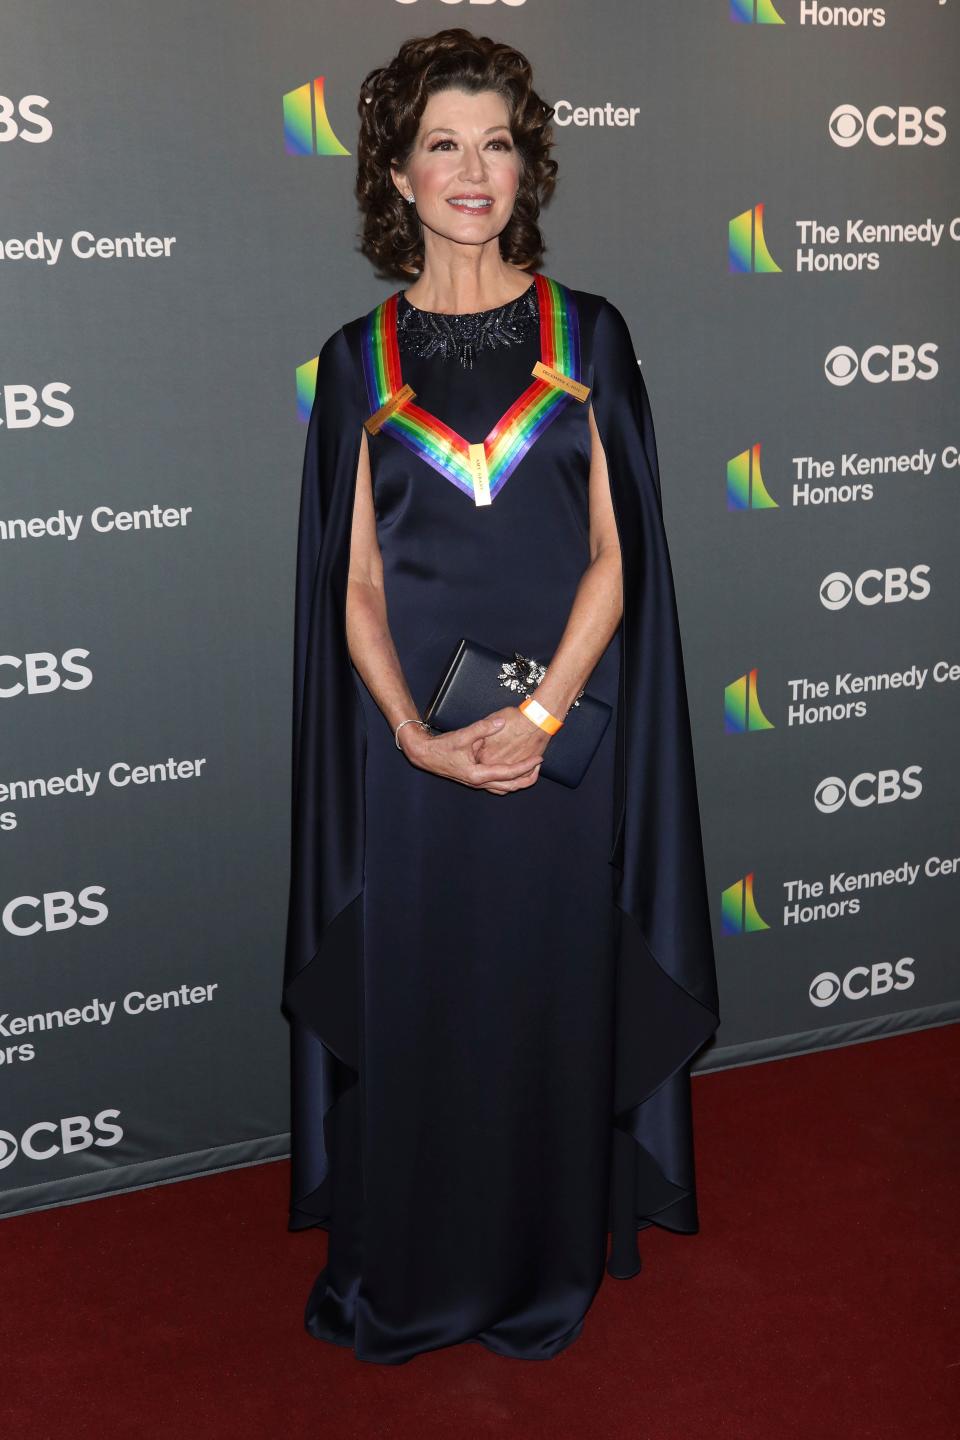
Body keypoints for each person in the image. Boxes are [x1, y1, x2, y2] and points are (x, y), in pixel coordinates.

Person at [282, 27, 720, 1365]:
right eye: (442, 147)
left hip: (555, 755)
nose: (474, 172)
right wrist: (417, 741)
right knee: (426, 1008)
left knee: (543, 1000)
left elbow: (615, 559)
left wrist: (535, 722)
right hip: (412, 772)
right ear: (397, 179)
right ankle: (411, 1268)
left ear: (527, 166)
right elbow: (350, 587)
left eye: (497, 144)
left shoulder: (590, 334)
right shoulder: (355, 359)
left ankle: (541, 1266)